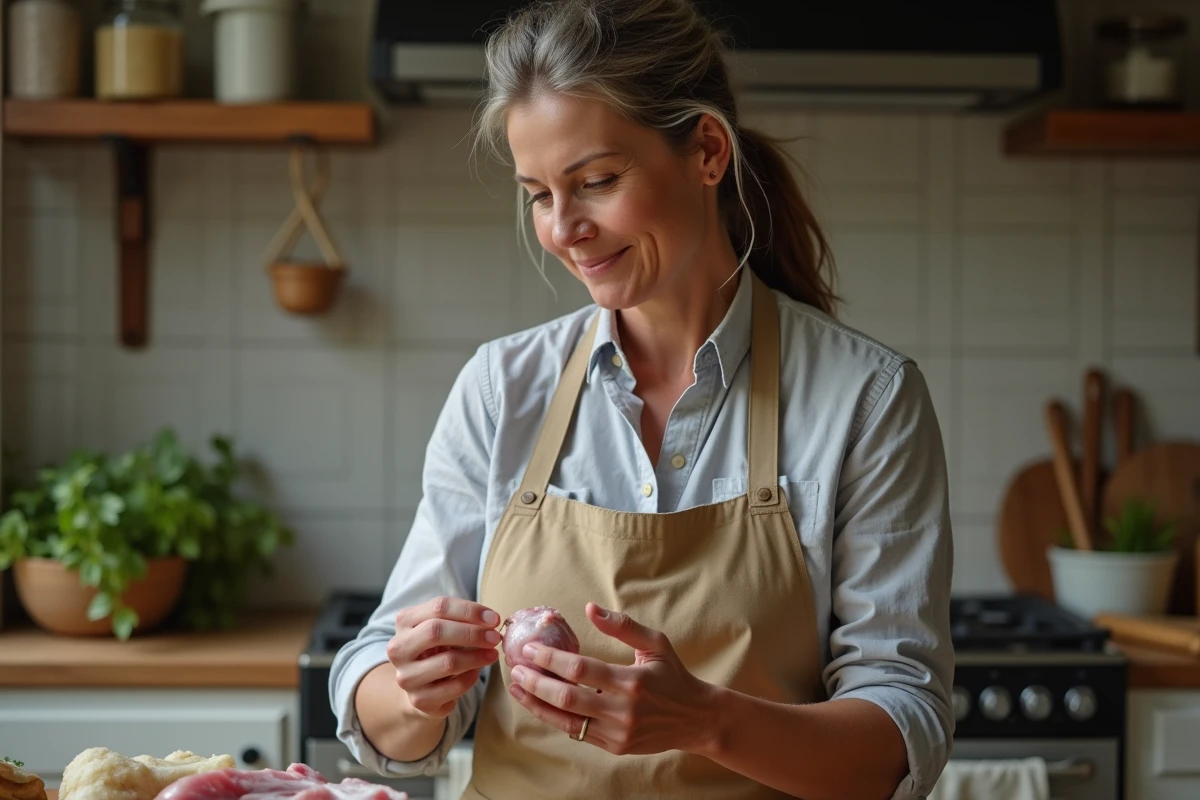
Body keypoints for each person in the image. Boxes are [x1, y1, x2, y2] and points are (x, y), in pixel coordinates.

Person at [330, 1, 954, 798]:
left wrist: (706, 721)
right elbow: (382, 705)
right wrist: (415, 690)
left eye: (596, 182)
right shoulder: (501, 390)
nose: (564, 229)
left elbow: (901, 734)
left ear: (708, 151)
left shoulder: (865, 399)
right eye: (538, 194)